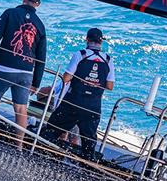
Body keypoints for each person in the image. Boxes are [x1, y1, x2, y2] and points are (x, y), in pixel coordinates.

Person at [0, 0, 47, 149]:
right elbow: (41, 58)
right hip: (25, 73)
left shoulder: (9, 13)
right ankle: (19, 146)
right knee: (20, 109)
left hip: (4, 68)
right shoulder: (40, 26)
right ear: (38, 4)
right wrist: (36, 83)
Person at [39, 28, 115, 160]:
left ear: (87, 39)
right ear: (101, 42)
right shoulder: (108, 60)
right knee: (88, 141)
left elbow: (66, 78)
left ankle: (41, 154)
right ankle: (85, 166)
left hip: (74, 102)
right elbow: (110, 86)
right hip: (93, 106)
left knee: (51, 130)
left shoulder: (81, 54)